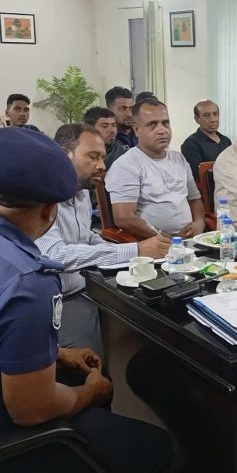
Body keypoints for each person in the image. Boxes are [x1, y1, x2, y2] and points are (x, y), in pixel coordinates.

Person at [0, 127, 172, 472]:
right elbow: (32, 411)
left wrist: (56, 354)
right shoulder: (28, 280)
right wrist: (93, 393)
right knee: (154, 446)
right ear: (49, 211)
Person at [36, 124, 170, 357]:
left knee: (150, 322)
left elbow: (86, 236)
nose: (102, 165)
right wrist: (135, 250)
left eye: (102, 157)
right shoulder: (42, 198)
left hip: (89, 286)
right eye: (93, 157)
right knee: (95, 356)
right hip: (58, 300)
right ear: (65, 155)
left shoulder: (81, 193)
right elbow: (55, 256)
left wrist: (127, 253)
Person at [106, 97, 205, 239]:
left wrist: (199, 223)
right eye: (152, 124)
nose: (161, 130)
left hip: (190, 240)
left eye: (165, 123)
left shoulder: (178, 159)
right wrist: (168, 240)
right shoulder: (126, 165)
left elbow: (194, 199)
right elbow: (124, 218)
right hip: (153, 243)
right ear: (137, 129)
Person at [181, 99, 232, 180]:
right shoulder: (190, 144)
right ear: (197, 119)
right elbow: (197, 176)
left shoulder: (226, 141)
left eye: (215, 114)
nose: (213, 120)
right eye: (206, 115)